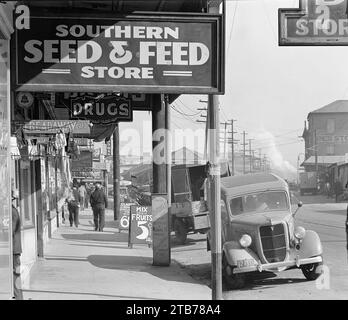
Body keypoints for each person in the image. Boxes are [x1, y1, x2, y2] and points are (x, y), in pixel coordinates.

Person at [12, 189, 23, 300]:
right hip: (15, 248)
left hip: (14, 249)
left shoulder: (11, 212)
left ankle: (18, 297)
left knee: (16, 275)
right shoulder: (13, 210)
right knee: (16, 274)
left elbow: (11, 231)